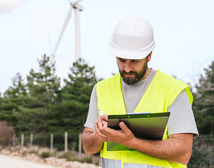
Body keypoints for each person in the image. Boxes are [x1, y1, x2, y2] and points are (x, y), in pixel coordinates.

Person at [82, 17, 198, 168]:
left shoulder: (174, 90)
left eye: (134, 61)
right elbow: (88, 148)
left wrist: (132, 142)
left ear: (149, 55)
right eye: (121, 60)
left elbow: (183, 153)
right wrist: (101, 134)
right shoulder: (101, 89)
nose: (127, 68)